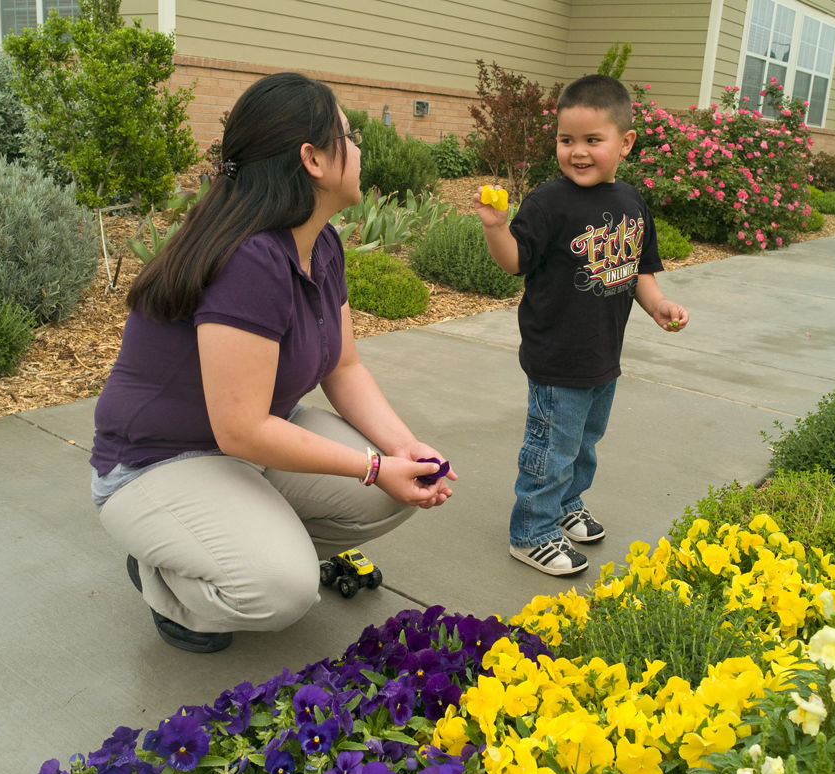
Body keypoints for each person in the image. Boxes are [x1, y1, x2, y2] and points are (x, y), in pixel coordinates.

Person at [89, 72, 455, 652]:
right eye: (348, 134)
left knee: (394, 489)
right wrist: (369, 465)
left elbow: (345, 367)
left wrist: (402, 449)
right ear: (312, 159)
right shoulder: (250, 260)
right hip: (157, 463)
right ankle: (169, 578)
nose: (357, 148)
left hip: (247, 448)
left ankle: (237, 537)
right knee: (283, 589)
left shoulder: (321, 244)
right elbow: (242, 428)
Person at [474, 74, 688, 577]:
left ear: (625, 142)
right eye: (566, 140)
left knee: (584, 443)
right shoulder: (549, 202)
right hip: (557, 355)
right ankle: (531, 530)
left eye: (593, 140)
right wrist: (496, 228)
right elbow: (515, 262)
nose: (578, 152)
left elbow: (639, 268)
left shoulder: (631, 203)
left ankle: (567, 505)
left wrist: (656, 304)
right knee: (551, 447)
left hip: (602, 355)